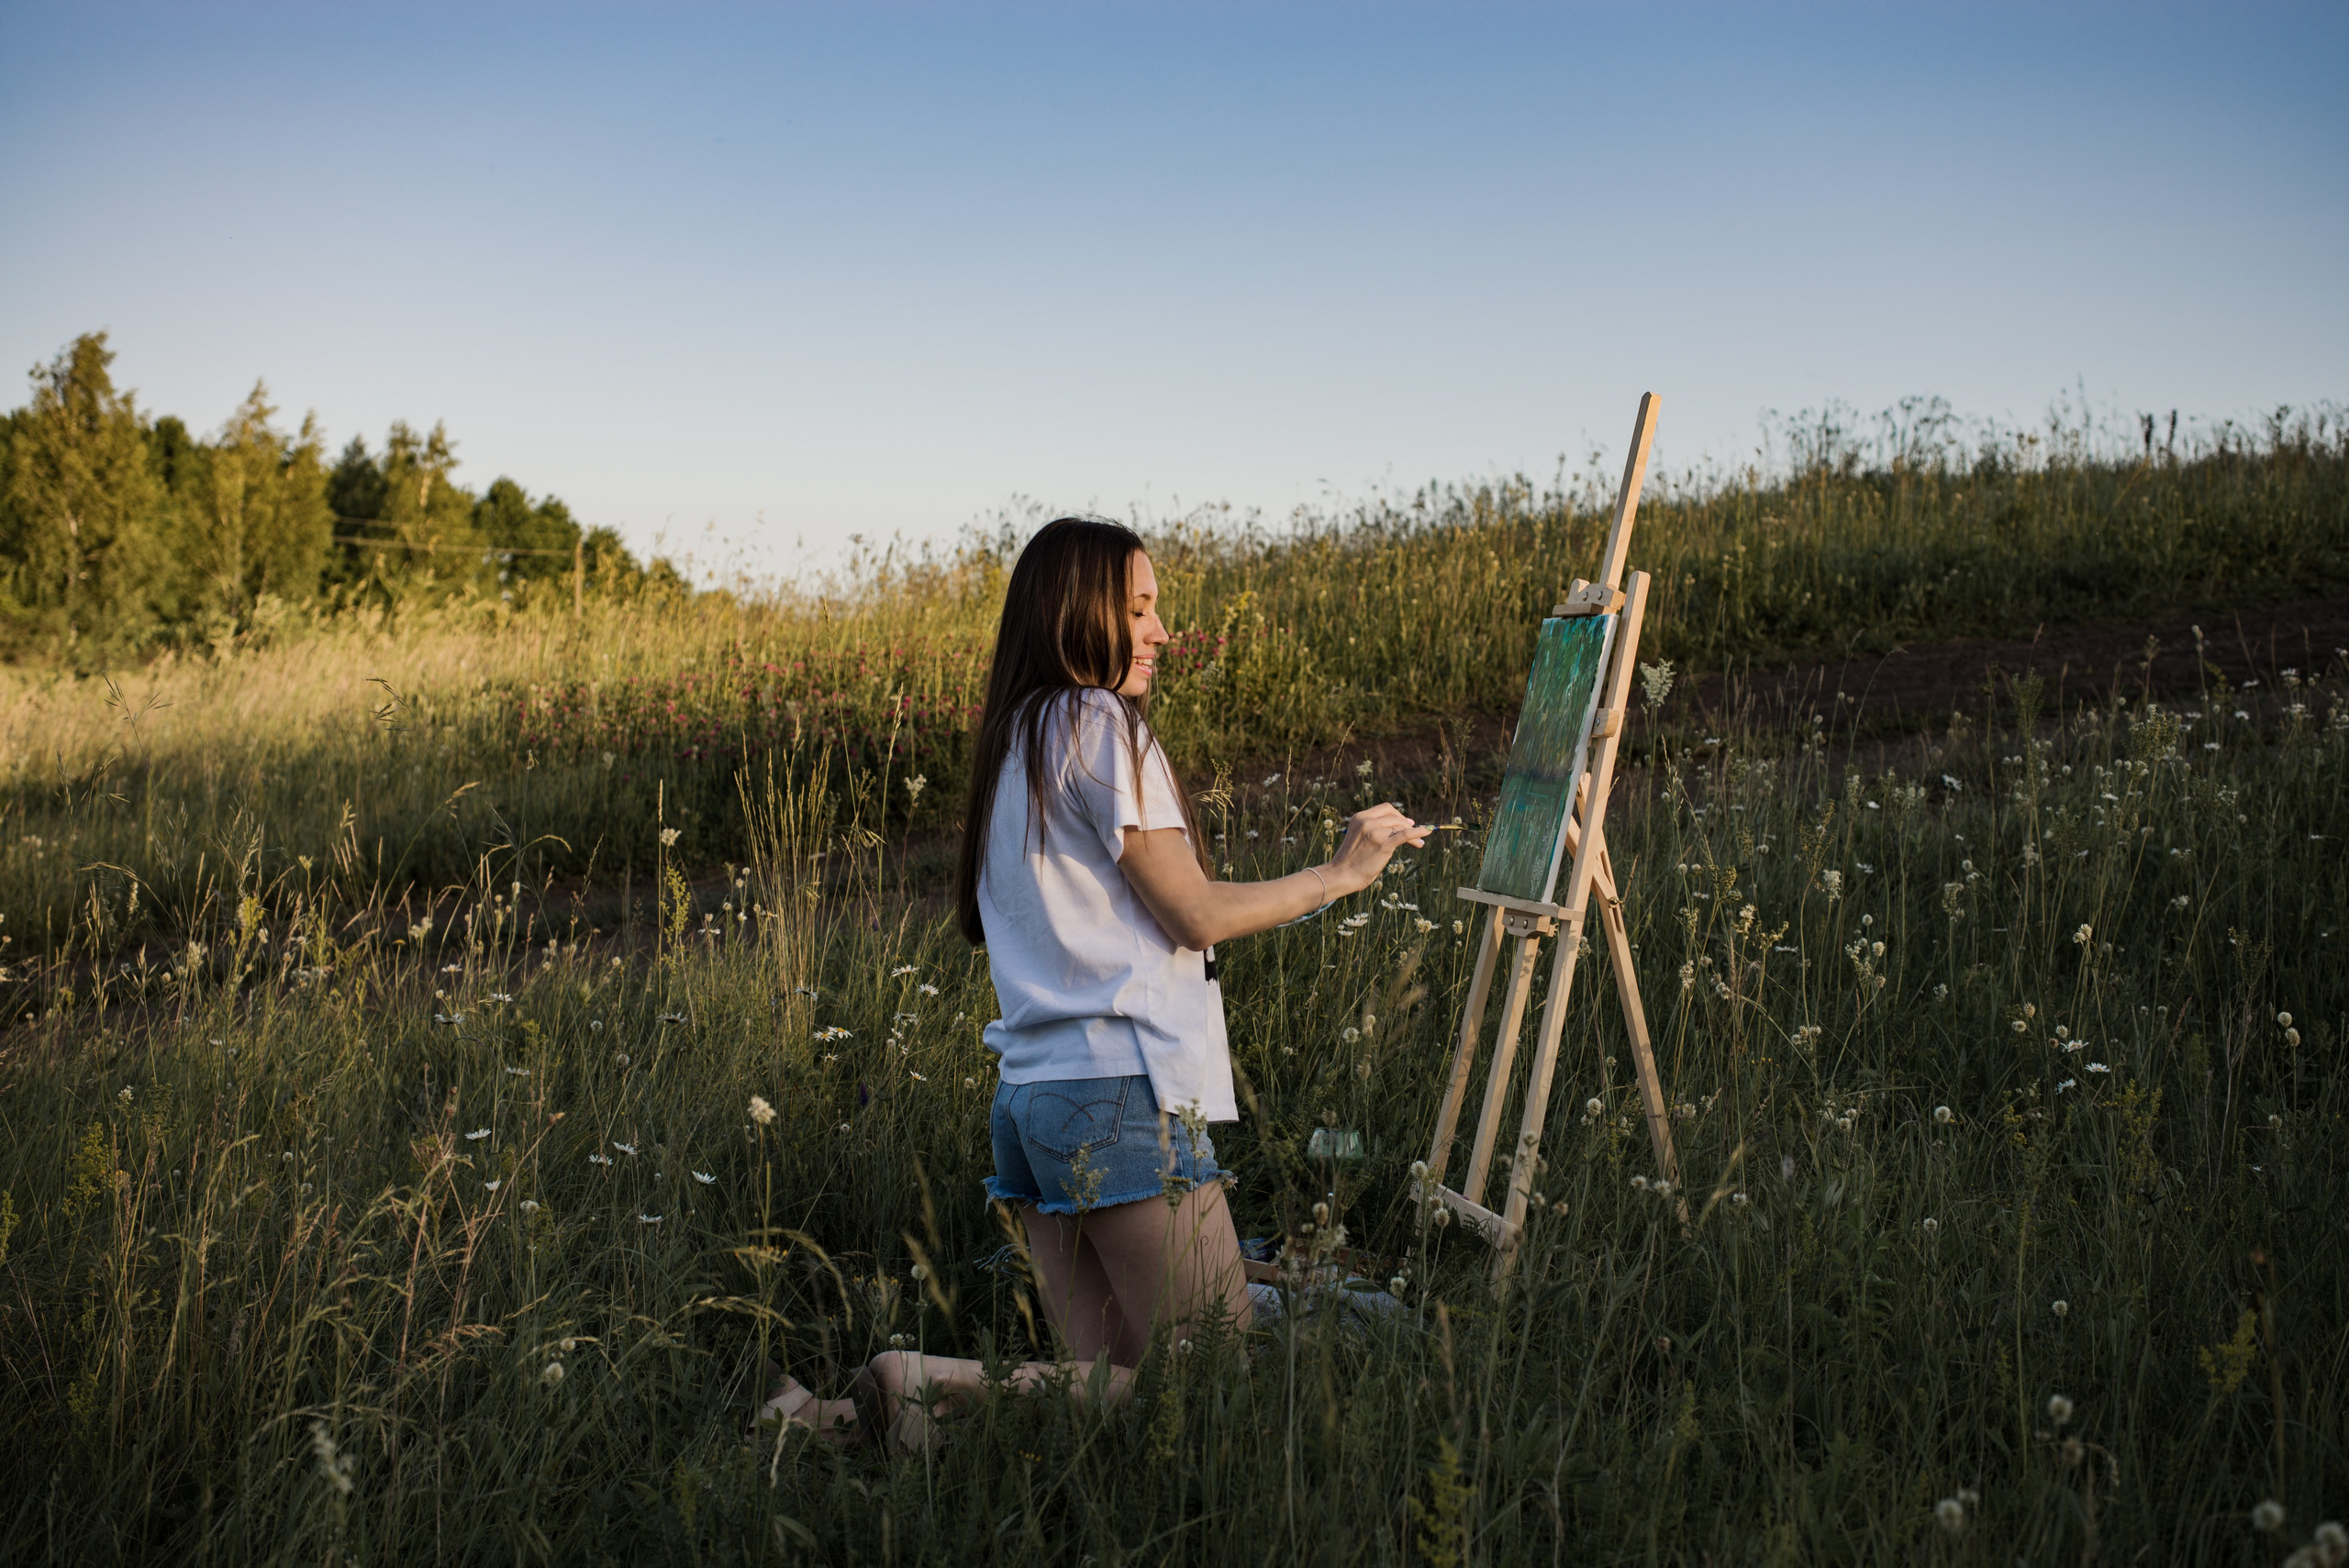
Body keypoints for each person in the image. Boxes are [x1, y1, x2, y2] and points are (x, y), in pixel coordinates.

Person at [754, 516, 1428, 1450]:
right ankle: (916, 1375)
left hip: (1033, 1103)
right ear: (1076, 611)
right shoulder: (1098, 720)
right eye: (1139, 608)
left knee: (1114, 1408)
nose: (1161, 632)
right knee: (1212, 1390)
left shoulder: (1016, 739)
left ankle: (821, 1423)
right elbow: (1192, 912)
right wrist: (1339, 874)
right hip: (1118, 1093)